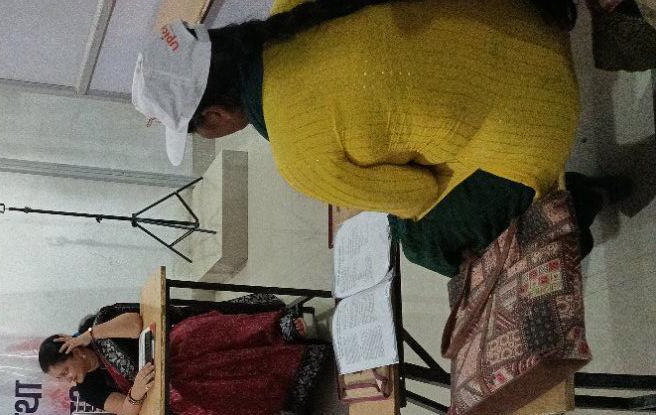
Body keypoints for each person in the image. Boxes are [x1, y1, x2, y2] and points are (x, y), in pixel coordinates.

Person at [131, 1, 629, 277]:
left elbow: (420, 194)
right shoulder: (288, 5)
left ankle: (572, 208)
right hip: (529, 14)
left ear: (216, 114)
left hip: (537, 110)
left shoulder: (300, 158)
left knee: (421, 242)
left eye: (199, 130)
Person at [40, 300, 330, 415]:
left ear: (73, 350)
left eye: (65, 371)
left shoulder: (101, 325)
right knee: (184, 396)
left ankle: (280, 332)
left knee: (189, 338)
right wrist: (137, 391)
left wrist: (90, 335)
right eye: (62, 378)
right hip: (164, 387)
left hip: (173, 347)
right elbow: (127, 409)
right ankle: (287, 386)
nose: (69, 379)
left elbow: (136, 325)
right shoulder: (87, 389)